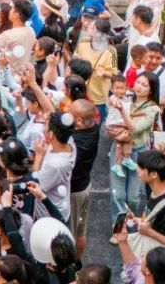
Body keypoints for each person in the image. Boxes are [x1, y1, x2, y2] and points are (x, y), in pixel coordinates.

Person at [109, 71, 161, 234]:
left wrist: (122, 112)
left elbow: (136, 128)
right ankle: (119, 229)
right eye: (138, 82)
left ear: (151, 90)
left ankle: (128, 221)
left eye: (144, 85)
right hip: (119, 148)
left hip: (139, 152)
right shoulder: (126, 97)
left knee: (133, 196)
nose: (139, 87)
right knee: (118, 194)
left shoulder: (152, 108)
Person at [68, 99, 100, 258]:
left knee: (70, 235)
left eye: (70, 113)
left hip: (74, 193)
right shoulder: (94, 128)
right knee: (81, 231)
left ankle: (71, 268)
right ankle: (79, 264)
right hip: (85, 186)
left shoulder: (76, 141)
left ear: (79, 120)